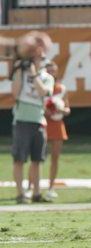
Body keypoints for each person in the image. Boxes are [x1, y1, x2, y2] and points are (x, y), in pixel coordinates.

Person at [11, 54, 54, 204]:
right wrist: (18, 71)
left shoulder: (47, 77)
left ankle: (36, 193)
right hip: (22, 120)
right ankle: (20, 194)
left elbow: (43, 92)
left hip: (38, 121)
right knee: (19, 160)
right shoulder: (22, 75)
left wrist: (34, 73)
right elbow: (15, 94)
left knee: (37, 160)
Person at [44, 61, 71, 199]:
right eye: (48, 71)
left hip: (57, 125)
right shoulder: (41, 87)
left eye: (53, 71)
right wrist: (47, 111)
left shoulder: (61, 88)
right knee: (37, 158)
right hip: (43, 123)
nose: (51, 74)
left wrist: (60, 110)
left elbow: (67, 109)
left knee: (55, 158)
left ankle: (51, 187)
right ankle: (31, 187)